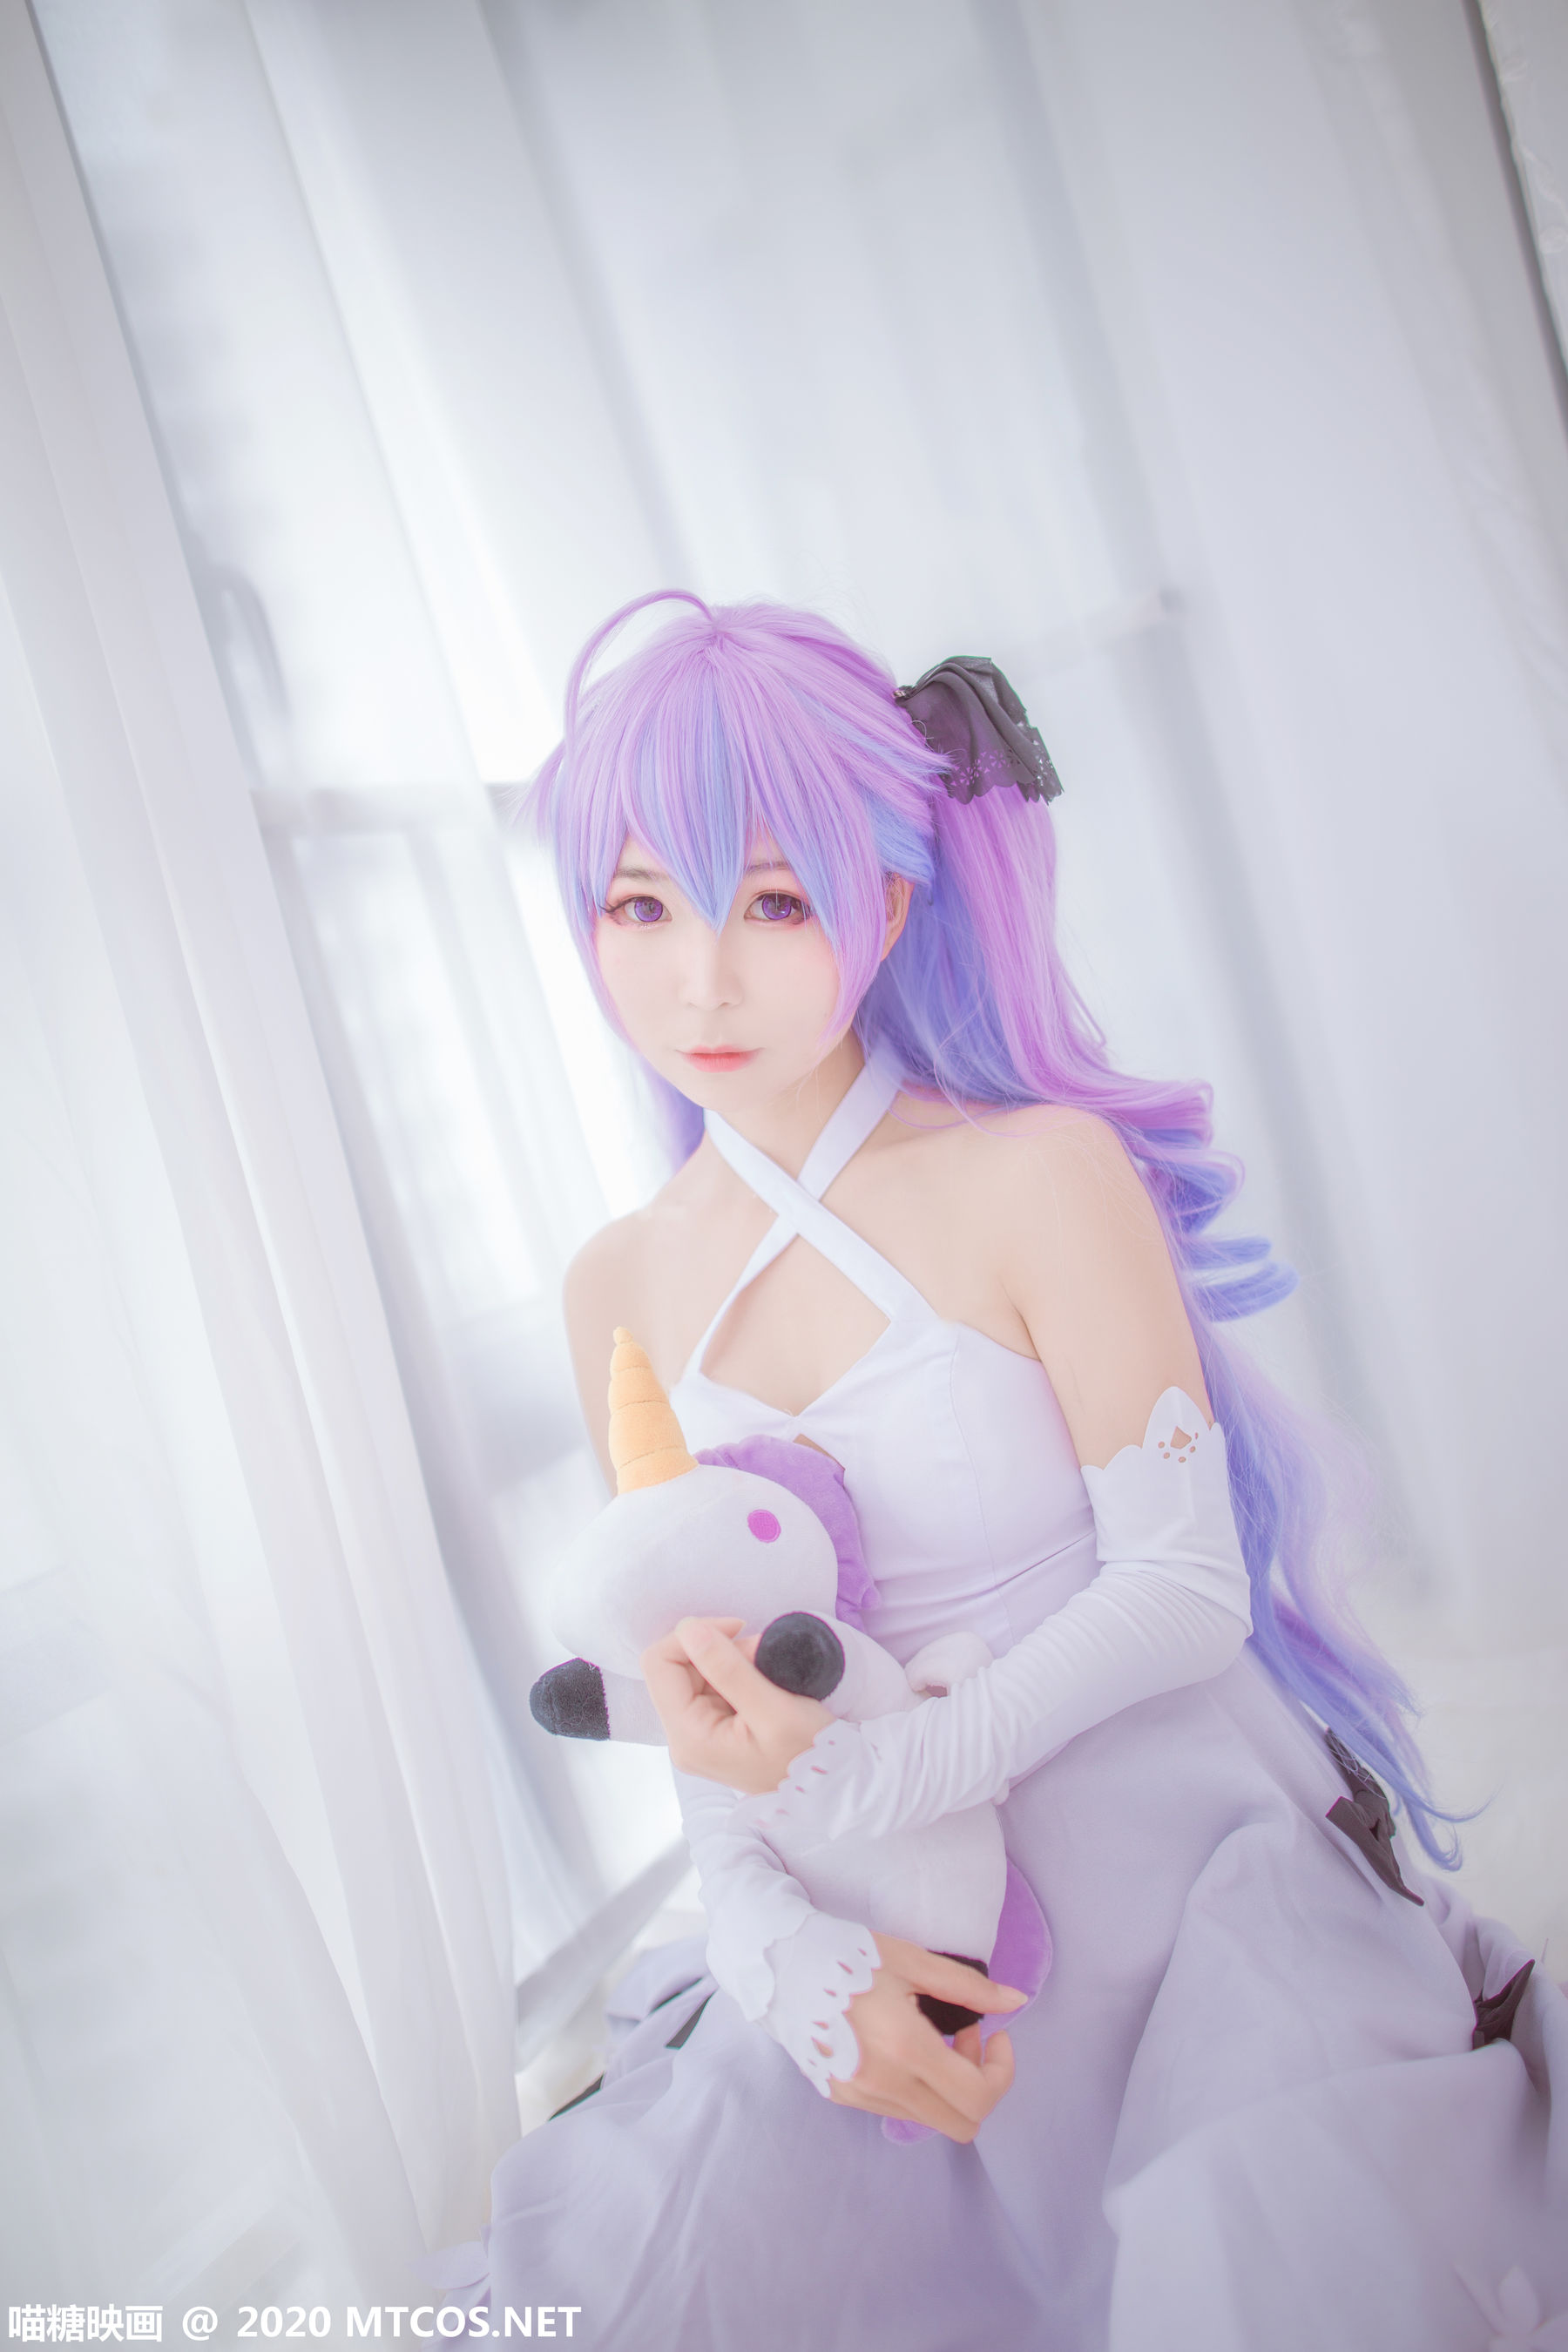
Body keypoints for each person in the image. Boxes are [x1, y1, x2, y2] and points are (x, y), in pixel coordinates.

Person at [437, 591, 1565, 2349]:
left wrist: (916, 1765)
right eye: (641, 905)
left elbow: (1184, 1584)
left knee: (1267, 2266)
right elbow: (698, 1702)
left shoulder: (1038, 1173)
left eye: (774, 901)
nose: (701, 978)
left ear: (887, 906)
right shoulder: (619, 1284)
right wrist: (789, 1966)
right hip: (863, 1906)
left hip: (1168, 1870)